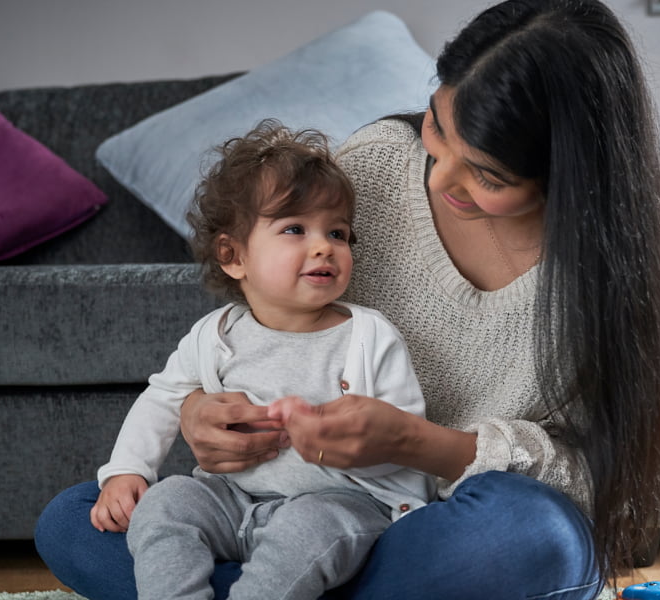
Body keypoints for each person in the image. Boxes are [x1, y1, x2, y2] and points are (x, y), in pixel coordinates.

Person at [36, 1, 660, 598]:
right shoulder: (379, 165)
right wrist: (197, 416)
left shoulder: (644, 245)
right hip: (274, 518)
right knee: (76, 519)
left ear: (573, 172)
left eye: (489, 175)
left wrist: (420, 444)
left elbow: (615, 482)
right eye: (438, 128)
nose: (439, 176)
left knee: (529, 536)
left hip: (428, 523)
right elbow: (236, 349)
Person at [90, 119, 433, 599]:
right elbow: (164, 396)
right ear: (233, 256)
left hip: (341, 504)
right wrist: (127, 471)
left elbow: (403, 438)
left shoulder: (369, 336)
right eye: (295, 229)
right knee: (164, 504)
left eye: (338, 232)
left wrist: (341, 440)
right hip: (230, 501)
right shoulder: (215, 334)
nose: (324, 246)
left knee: (308, 527)